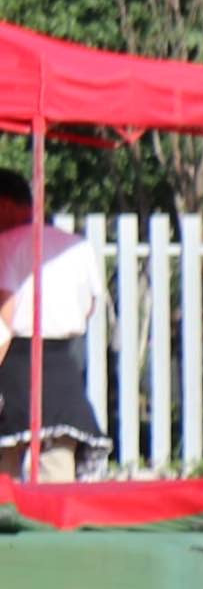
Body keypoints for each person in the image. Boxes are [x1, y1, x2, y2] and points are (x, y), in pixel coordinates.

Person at [0, 170, 105, 481]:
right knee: (57, 474)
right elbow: (90, 307)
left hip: (15, 363)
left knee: (5, 477)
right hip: (62, 368)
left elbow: (4, 315)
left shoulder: (6, 244)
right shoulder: (78, 247)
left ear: (5, 204)